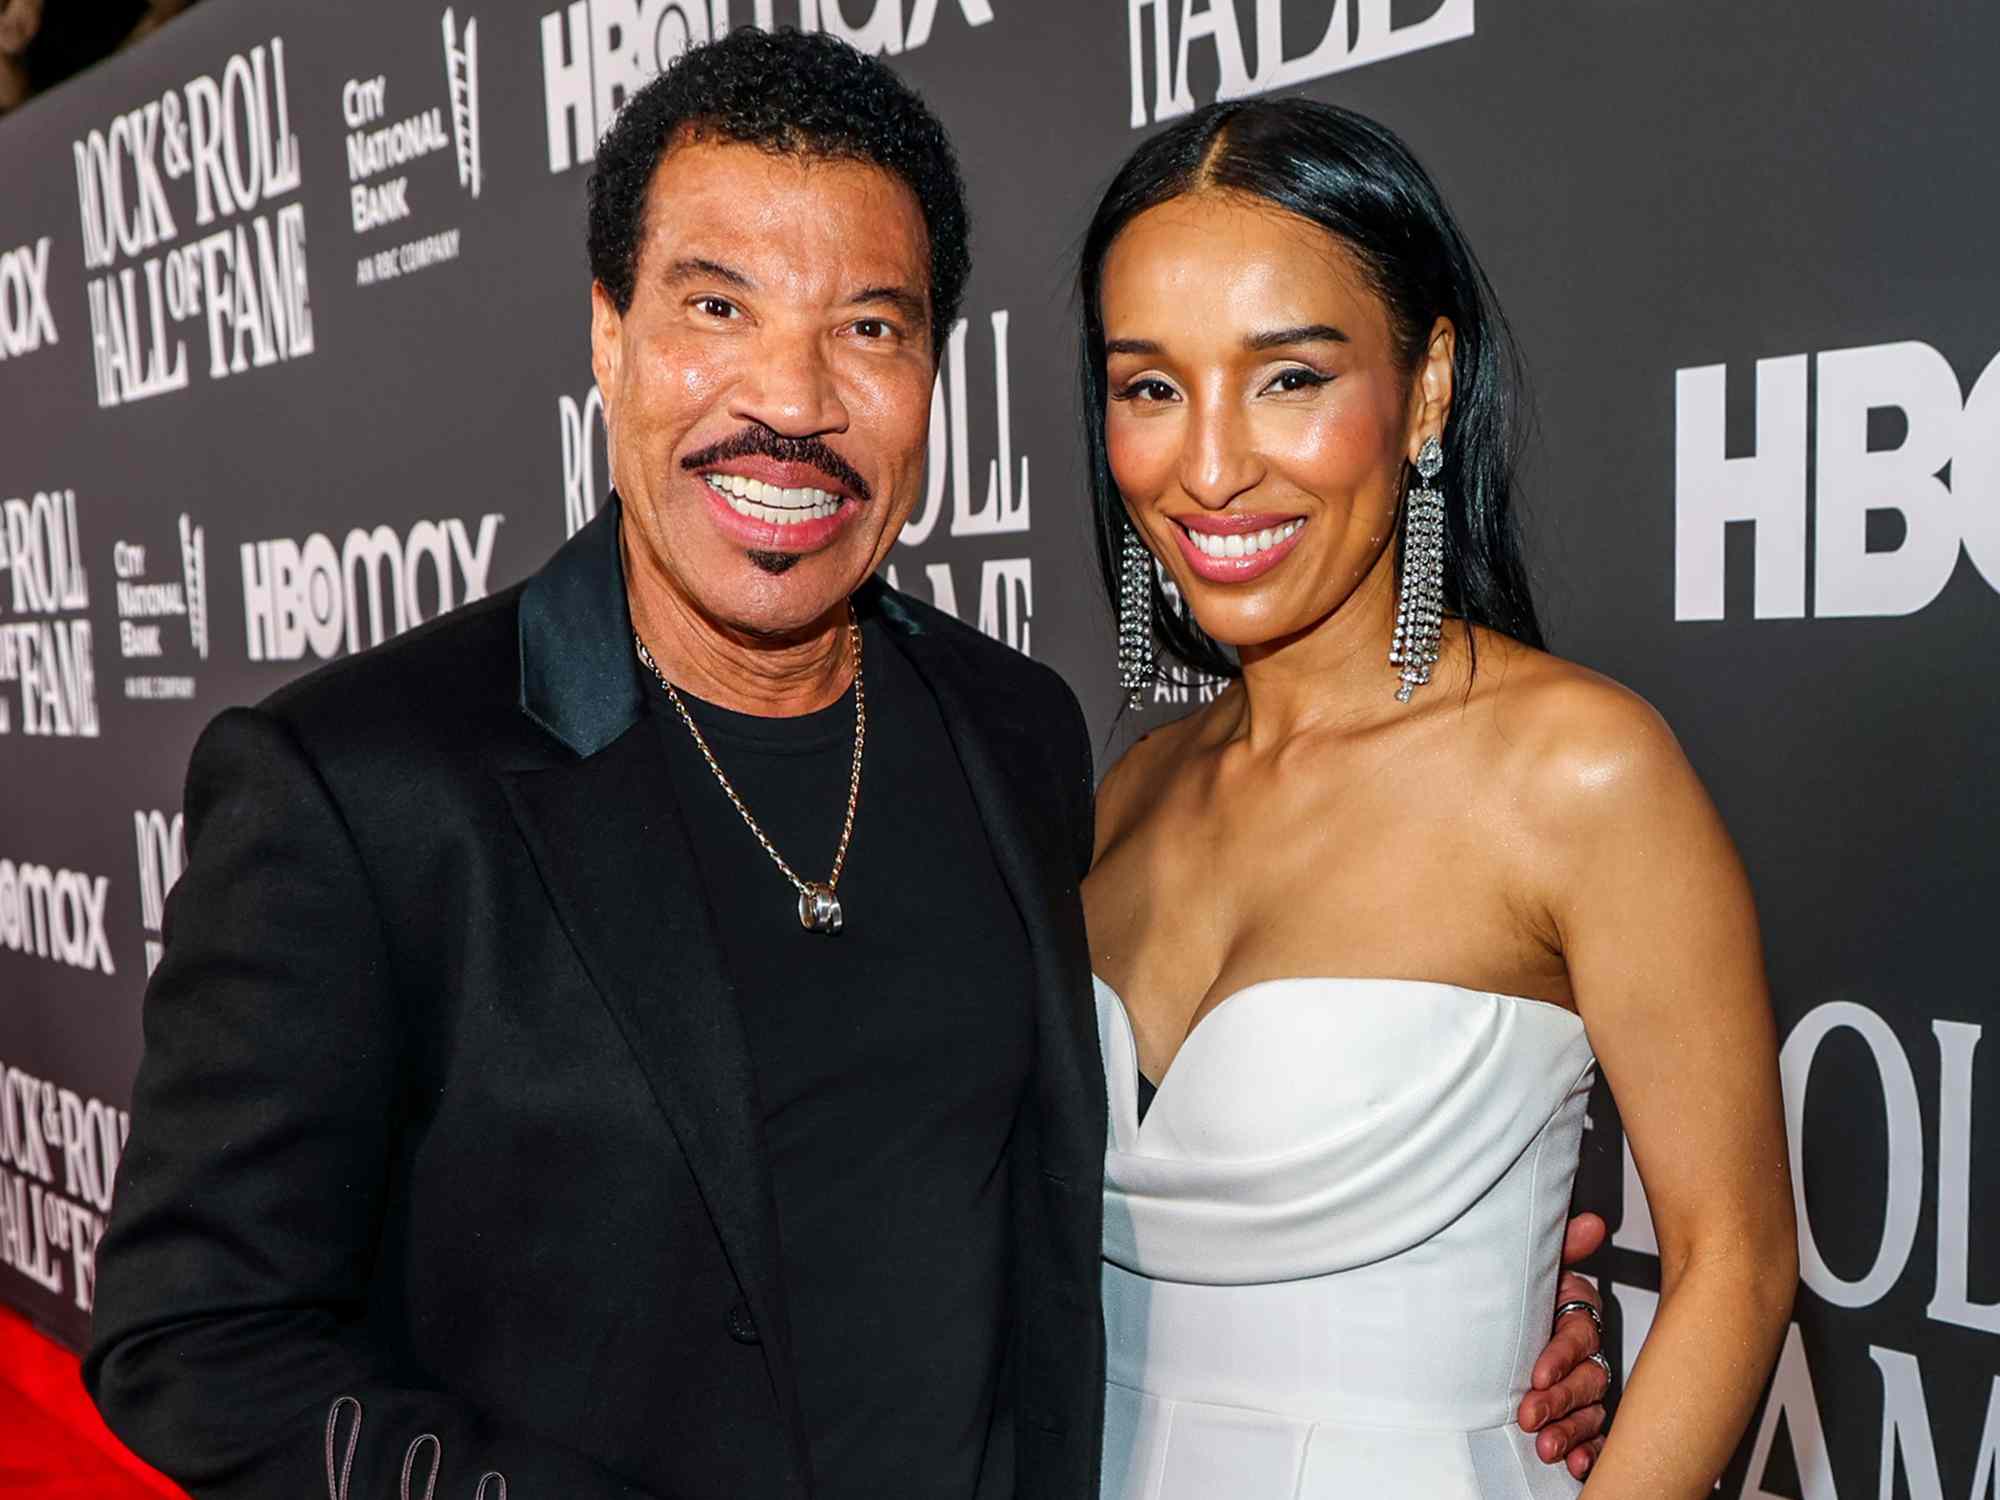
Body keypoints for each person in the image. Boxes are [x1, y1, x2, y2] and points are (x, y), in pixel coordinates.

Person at [84, 29, 1609, 1500]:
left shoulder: (1017, 733)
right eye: (718, 308)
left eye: (868, 328)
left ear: (937, 373)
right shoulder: (358, 788)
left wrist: (1455, 1312)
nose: (793, 403)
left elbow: (1091, 1209)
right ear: (608, 340)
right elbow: (193, 1339)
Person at [1079, 96, 1799, 1499]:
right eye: (1149, 385)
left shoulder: (1581, 772)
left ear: (1425, 390)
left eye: (1287, 377)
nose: (1209, 463)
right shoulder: (1127, 793)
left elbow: (1738, 1266)